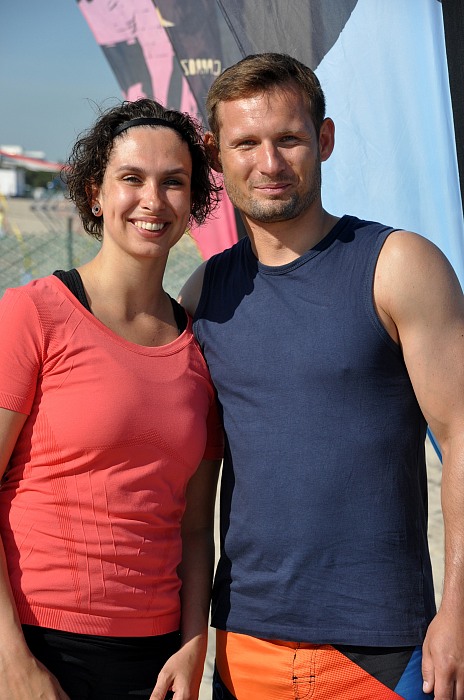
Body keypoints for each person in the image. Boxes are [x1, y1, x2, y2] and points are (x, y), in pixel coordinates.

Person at [179, 53, 464, 700]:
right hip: (244, 644)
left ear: (324, 139)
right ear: (216, 155)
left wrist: (458, 612)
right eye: (246, 143)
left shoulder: (398, 265)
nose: (269, 163)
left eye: (289, 139)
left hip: (384, 647)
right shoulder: (205, 295)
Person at [0, 98, 223, 700]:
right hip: (37, 644)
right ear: (95, 193)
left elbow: (196, 526)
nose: (153, 200)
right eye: (131, 178)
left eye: (173, 182)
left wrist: (192, 643)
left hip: (153, 661)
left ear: (193, 201)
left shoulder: (201, 349)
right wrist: (11, 662)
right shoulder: (33, 314)